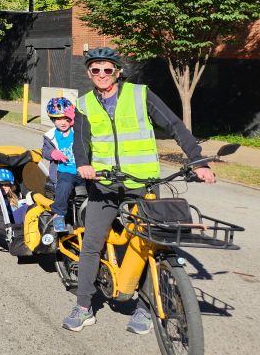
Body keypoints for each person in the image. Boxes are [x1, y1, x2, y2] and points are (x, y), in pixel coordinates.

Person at [62, 47, 215, 335]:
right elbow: (80, 143)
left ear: (118, 72)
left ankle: (144, 308)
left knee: (149, 244)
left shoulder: (140, 94)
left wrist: (197, 160)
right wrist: (83, 164)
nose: (102, 75)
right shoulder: (83, 104)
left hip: (143, 184)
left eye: (108, 69)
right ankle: (83, 307)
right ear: (89, 74)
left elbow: (174, 125)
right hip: (105, 185)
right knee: (92, 244)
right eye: (96, 70)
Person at [42, 98, 79, 233]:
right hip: (64, 171)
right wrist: (53, 153)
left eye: (66, 118)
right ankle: (58, 217)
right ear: (52, 120)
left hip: (80, 170)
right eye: (58, 119)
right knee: (64, 188)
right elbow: (44, 152)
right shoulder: (50, 136)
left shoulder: (77, 131)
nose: (63, 122)